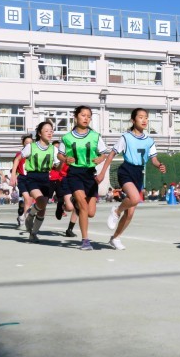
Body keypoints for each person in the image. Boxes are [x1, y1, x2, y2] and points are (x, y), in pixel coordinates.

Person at [98, 108, 166, 250]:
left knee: (130, 213)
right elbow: (111, 155)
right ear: (133, 120)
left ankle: (115, 238)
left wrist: (159, 165)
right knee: (134, 199)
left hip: (138, 173)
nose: (144, 120)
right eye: (140, 117)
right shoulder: (126, 138)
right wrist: (103, 173)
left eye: (146, 117)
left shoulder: (149, 141)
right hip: (126, 171)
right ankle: (116, 211)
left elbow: (153, 159)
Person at [58, 105, 107, 250]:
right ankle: (85, 241)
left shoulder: (95, 136)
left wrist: (100, 158)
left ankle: (76, 202)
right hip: (74, 174)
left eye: (89, 116)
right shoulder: (66, 137)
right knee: (84, 206)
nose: (86, 118)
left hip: (90, 174)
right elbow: (59, 154)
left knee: (90, 213)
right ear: (76, 117)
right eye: (83, 115)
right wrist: (65, 159)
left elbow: (104, 153)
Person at [11, 121, 59, 242]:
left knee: (42, 209)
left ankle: (33, 233)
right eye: (46, 131)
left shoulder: (53, 149)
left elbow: (58, 167)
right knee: (41, 200)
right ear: (39, 133)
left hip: (45, 178)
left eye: (51, 131)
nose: (49, 133)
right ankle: (31, 214)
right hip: (32, 177)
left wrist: (64, 161)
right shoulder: (31, 146)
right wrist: (13, 176)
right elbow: (17, 159)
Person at [12, 134, 34, 228]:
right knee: (24, 201)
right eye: (27, 142)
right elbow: (15, 167)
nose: (29, 144)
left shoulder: (35, 153)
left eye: (30, 142)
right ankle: (22, 216)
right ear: (23, 143)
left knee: (28, 201)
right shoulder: (19, 155)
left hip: (32, 179)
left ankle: (23, 218)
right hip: (22, 179)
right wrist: (13, 177)